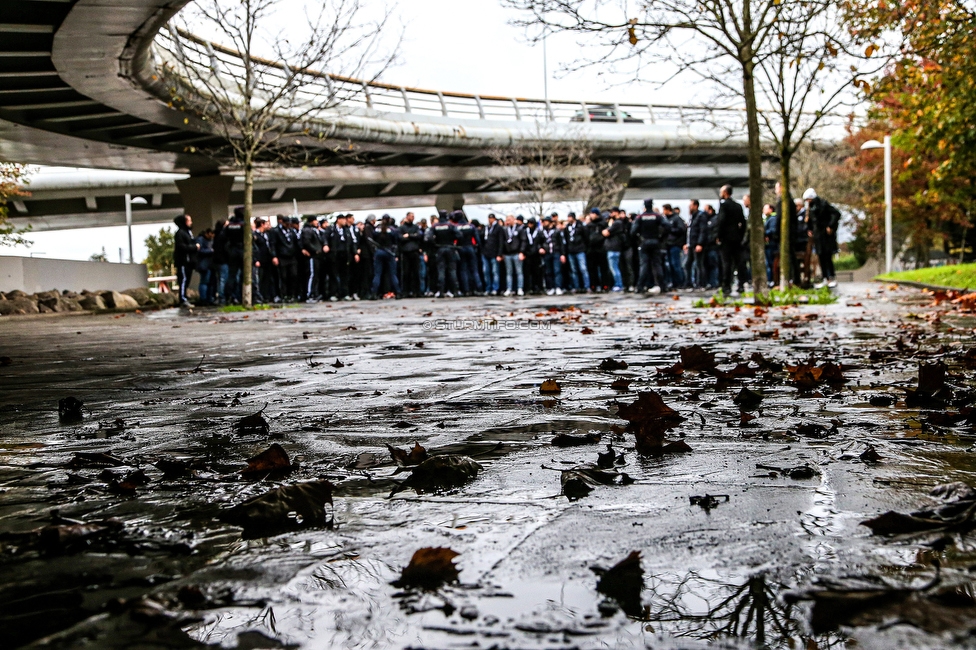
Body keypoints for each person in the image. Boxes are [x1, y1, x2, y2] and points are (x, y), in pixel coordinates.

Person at [803, 188, 841, 288]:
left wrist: (830, 225)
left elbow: (836, 214)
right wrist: (809, 228)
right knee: (821, 256)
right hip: (818, 236)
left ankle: (830, 277)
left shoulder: (823, 205)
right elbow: (811, 221)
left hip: (825, 235)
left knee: (827, 256)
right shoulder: (811, 208)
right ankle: (825, 277)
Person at [716, 185, 749, 296]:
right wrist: (740, 235)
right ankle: (741, 284)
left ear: (725, 193)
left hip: (726, 239)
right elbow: (743, 223)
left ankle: (726, 285)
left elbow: (721, 221)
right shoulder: (738, 206)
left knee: (726, 263)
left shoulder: (723, 205)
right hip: (737, 238)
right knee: (739, 262)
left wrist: (718, 236)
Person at [631, 198, 665, 294]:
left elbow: (633, 231)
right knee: (657, 265)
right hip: (655, 241)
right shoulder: (657, 216)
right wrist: (661, 238)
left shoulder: (640, 217)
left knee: (644, 265)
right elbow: (667, 226)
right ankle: (662, 286)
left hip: (644, 242)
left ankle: (640, 286)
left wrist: (639, 239)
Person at [427, 211, 459, 297]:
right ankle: (455, 291)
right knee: (452, 270)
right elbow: (459, 235)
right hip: (450, 248)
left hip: (440, 248)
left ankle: (441, 291)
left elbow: (428, 238)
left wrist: (435, 244)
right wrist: (452, 239)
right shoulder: (450, 225)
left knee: (441, 270)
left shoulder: (435, 226)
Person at [370, 214, 400, 299]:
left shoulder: (377, 229)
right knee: (393, 274)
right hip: (389, 252)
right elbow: (396, 242)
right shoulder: (392, 230)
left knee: (377, 274)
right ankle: (398, 292)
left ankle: (374, 293)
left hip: (379, 251)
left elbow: (373, 239)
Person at [269, 215, 298, 302]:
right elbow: (273, 244)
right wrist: (274, 256)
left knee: (293, 275)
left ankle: (291, 294)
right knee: (283, 276)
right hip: (282, 257)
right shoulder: (276, 232)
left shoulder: (292, 231)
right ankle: (283, 294)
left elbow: (295, 242)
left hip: (291, 256)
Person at [173, 213, 199, 308]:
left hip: (189, 262)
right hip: (183, 261)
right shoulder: (180, 233)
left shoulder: (188, 233)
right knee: (183, 280)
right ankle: (182, 299)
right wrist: (194, 247)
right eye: (189, 220)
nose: (191, 222)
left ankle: (184, 297)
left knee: (186, 280)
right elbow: (181, 247)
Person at [454, 211, 482, 295]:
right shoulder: (471, 226)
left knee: (463, 270)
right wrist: (477, 247)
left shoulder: (456, 227)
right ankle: (478, 288)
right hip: (470, 247)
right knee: (474, 269)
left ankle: (466, 290)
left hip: (461, 248)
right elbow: (477, 239)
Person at [398, 212, 423, 298]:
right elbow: (400, 238)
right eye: (411, 216)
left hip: (414, 252)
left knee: (416, 272)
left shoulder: (416, 227)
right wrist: (413, 237)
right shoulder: (401, 228)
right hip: (405, 253)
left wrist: (408, 236)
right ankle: (406, 291)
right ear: (407, 217)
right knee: (406, 273)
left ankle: (417, 291)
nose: (413, 217)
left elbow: (419, 236)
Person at [563, 212, 589, 293]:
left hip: (580, 250)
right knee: (574, 270)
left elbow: (586, 237)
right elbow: (566, 239)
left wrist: (584, 247)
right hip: (571, 250)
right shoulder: (567, 227)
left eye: (570, 217)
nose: (568, 219)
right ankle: (576, 286)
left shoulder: (580, 226)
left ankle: (586, 286)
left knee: (583, 269)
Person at [663, 204, 687, 290]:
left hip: (675, 244)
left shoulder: (676, 219)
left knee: (675, 264)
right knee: (671, 265)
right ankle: (674, 283)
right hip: (668, 244)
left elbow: (681, 230)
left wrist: (671, 230)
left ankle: (681, 282)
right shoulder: (666, 219)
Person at [300, 215, 324, 302]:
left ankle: (314, 293)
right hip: (312, 256)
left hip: (316, 256)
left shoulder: (314, 230)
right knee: (312, 275)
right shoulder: (307, 230)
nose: (317, 222)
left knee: (315, 275)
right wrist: (315, 250)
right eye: (315, 220)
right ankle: (309, 294)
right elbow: (307, 242)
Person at [685, 200, 708, 290]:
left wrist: (700, 243)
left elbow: (703, 230)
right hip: (692, 244)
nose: (689, 207)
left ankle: (701, 284)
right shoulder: (693, 217)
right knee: (688, 264)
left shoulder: (701, 216)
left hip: (697, 244)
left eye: (690, 205)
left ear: (696, 206)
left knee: (699, 264)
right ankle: (689, 283)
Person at [602, 209, 627, 292]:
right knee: (614, 267)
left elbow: (606, 232)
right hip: (614, 248)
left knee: (614, 268)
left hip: (613, 248)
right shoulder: (618, 223)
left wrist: (608, 227)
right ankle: (618, 284)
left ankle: (618, 284)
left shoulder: (617, 223)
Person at [500, 214, 524, 296]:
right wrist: (502, 253)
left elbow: (523, 241)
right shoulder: (505, 229)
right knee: (509, 272)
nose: (508, 221)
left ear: (514, 219)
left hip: (517, 253)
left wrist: (522, 252)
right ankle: (509, 288)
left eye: (509, 219)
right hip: (507, 254)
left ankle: (520, 288)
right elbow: (502, 242)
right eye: (507, 219)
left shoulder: (519, 229)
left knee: (519, 271)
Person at [522, 217, 546, 294]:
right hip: (528, 254)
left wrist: (542, 248)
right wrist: (523, 252)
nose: (530, 225)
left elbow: (543, 241)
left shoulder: (539, 232)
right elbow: (524, 242)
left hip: (536, 254)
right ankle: (529, 288)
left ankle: (538, 287)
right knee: (528, 272)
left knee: (537, 272)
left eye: (531, 223)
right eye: (529, 223)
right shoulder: (525, 232)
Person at [542, 215, 565, 295]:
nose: (544, 223)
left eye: (545, 221)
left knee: (557, 270)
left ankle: (558, 287)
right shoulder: (542, 232)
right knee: (548, 271)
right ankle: (550, 287)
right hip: (547, 253)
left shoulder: (557, 231)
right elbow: (539, 242)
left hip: (556, 252)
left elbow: (561, 243)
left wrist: (562, 254)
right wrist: (540, 248)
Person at [481, 213, 503, 296]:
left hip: (494, 253)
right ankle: (488, 288)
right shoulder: (486, 228)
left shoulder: (498, 228)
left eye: (491, 218)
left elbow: (500, 242)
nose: (490, 220)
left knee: (495, 272)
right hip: (486, 252)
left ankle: (495, 288)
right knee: (486, 271)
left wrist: (499, 254)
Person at [195, 228, 215, 305]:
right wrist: (210, 251)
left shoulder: (209, 240)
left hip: (209, 264)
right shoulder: (201, 240)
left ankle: (209, 298)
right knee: (204, 281)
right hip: (204, 264)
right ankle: (203, 298)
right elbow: (199, 251)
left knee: (210, 283)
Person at [763, 203, 779, 285]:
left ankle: (771, 280)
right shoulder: (768, 218)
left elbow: (772, 230)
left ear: (771, 209)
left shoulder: (772, 219)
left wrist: (765, 233)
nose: (763, 210)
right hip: (770, 244)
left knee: (771, 263)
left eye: (765, 208)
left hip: (771, 245)